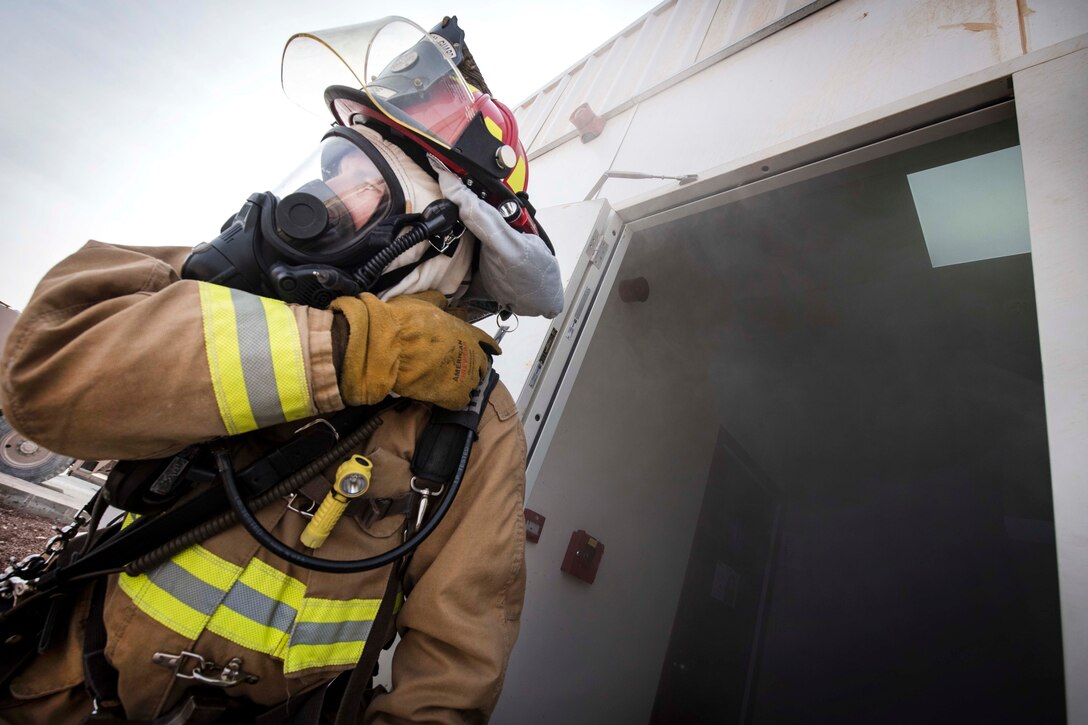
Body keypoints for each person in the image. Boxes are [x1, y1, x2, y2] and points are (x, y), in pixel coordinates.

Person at [0, 15, 561, 724]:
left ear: (440, 242)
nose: (321, 203)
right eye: (332, 169)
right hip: (62, 694)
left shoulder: (475, 422)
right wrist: (351, 351)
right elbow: (42, 376)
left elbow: (453, 674)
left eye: (365, 185)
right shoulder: (227, 287)